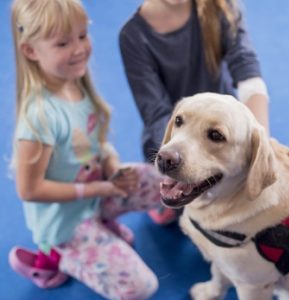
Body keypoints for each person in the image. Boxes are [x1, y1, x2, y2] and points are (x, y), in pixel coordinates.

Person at [9, 0, 164, 298]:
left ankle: (102, 225)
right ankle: (55, 257)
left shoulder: (75, 83)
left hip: (96, 197)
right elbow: (29, 190)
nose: (79, 48)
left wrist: (114, 166)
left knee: (165, 183)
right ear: (30, 50)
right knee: (141, 288)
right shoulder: (39, 118)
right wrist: (100, 190)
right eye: (63, 43)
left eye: (82, 35)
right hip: (66, 228)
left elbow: (95, 142)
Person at [119, 0, 270, 224]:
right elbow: (156, 112)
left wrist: (261, 142)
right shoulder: (133, 36)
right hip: (168, 139)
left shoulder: (222, 7)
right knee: (188, 204)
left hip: (220, 137)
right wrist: (181, 160)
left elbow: (248, 73)